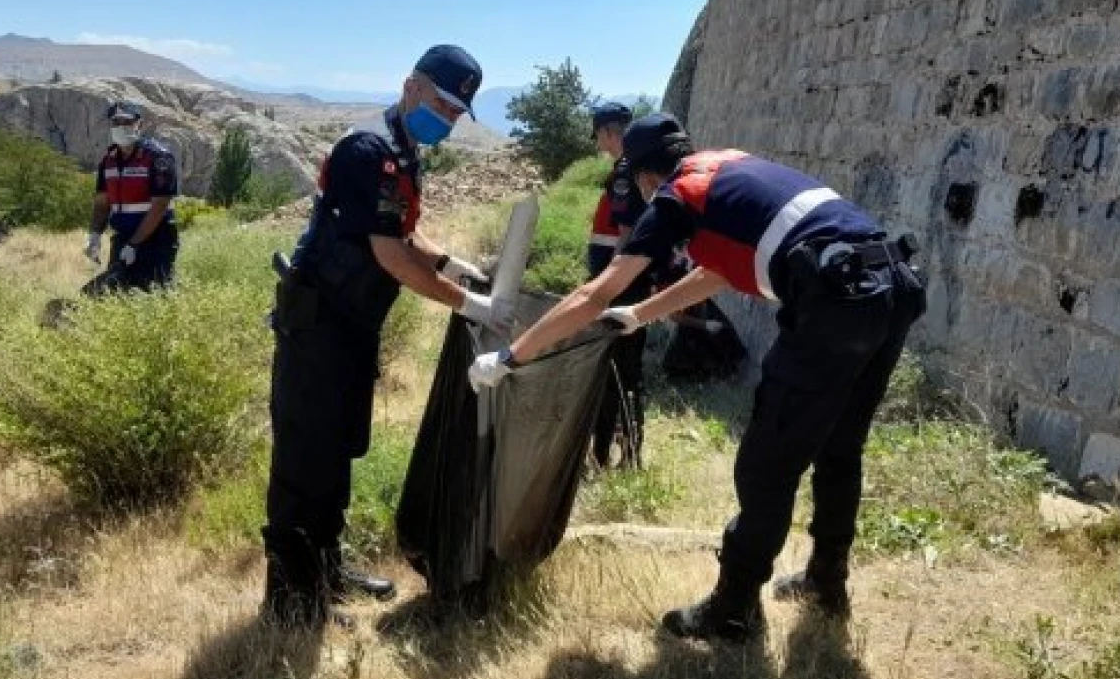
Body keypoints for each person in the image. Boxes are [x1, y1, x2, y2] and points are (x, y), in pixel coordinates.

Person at [469, 113, 926, 642]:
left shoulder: (675, 195)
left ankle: (732, 611)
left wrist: (511, 356)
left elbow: (595, 293)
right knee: (840, 448)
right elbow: (716, 270)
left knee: (766, 464)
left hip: (834, 301)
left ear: (642, 176)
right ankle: (828, 581)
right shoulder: (726, 168)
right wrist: (639, 315)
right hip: (890, 285)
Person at [264, 44, 514, 629]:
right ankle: (292, 597)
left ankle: (326, 567)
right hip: (318, 323)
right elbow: (390, 255)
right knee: (306, 458)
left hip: (352, 324)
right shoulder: (366, 149)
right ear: (411, 87)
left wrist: (455, 267)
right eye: (444, 105)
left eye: (458, 114)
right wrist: (471, 304)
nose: (448, 121)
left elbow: (406, 232)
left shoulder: (403, 151)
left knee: (339, 449)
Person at [584, 102, 650, 470]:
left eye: (599, 136)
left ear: (610, 132)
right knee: (626, 371)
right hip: (628, 286)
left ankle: (603, 454)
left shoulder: (626, 171)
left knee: (613, 372)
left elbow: (625, 237)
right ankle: (625, 453)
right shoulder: (635, 168)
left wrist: (605, 290)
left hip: (620, 288)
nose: (600, 145)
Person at [85, 101, 179, 291]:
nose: (121, 127)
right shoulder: (108, 161)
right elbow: (102, 204)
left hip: (156, 240)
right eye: (116, 123)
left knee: (153, 293)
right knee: (115, 295)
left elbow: (160, 205)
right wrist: (94, 236)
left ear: (139, 125)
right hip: (123, 238)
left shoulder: (157, 157)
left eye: (127, 122)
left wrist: (135, 244)